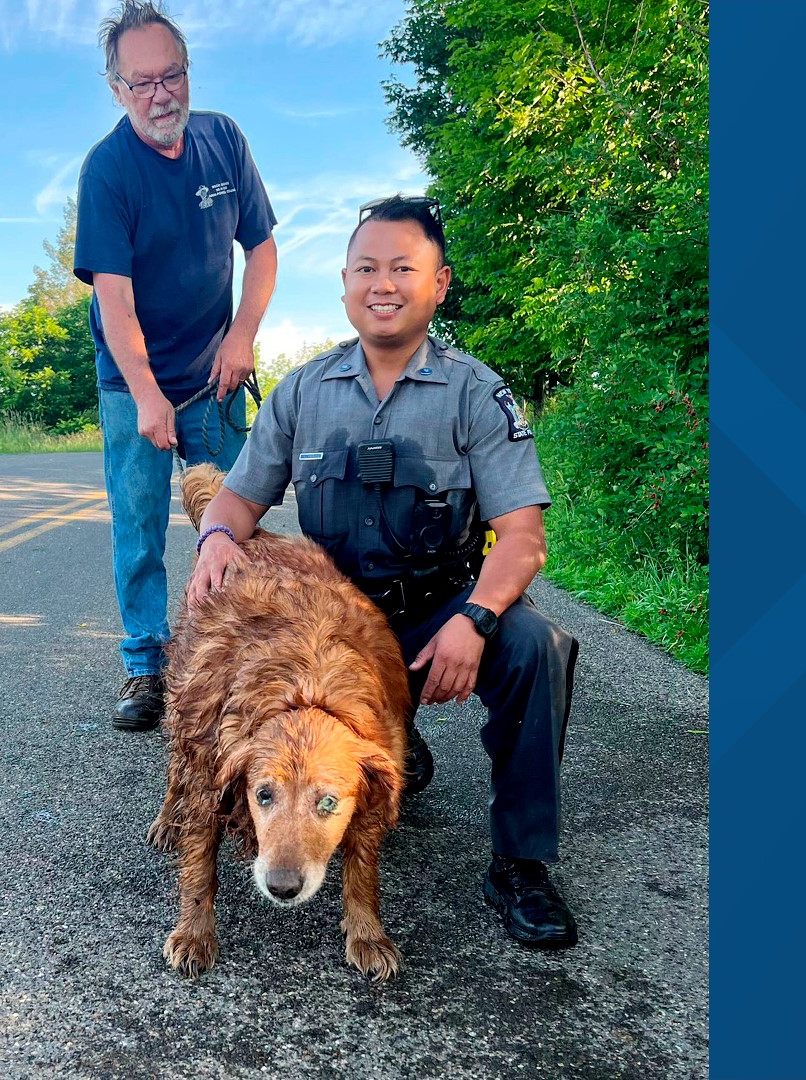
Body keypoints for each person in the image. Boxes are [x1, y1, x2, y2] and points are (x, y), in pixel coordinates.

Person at [186, 196, 581, 949]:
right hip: (329, 625)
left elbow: (523, 540)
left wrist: (477, 619)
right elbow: (238, 499)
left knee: (538, 647)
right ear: (343, 284)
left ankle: (520, 863)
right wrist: (213, 537)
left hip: (435, 612)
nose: (384, 283)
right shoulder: (304, 390)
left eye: (404, 267)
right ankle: (383, 742)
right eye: (367, 267)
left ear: (439, 284)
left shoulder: (474, 392)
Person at [72, 0, 278, 731]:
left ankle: (240, 657)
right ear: (118, 89)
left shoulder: (224, 141)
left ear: (188, 71)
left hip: (215, 370)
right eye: (142, 83)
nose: (161, 95)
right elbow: (115, 303)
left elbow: (262, 249)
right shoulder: (108, 171)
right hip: (133, 380)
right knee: (139, 521)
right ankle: (145, 665)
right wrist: (148, 395)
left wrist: (242, 335)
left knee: (235, 514)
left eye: (172, 75)